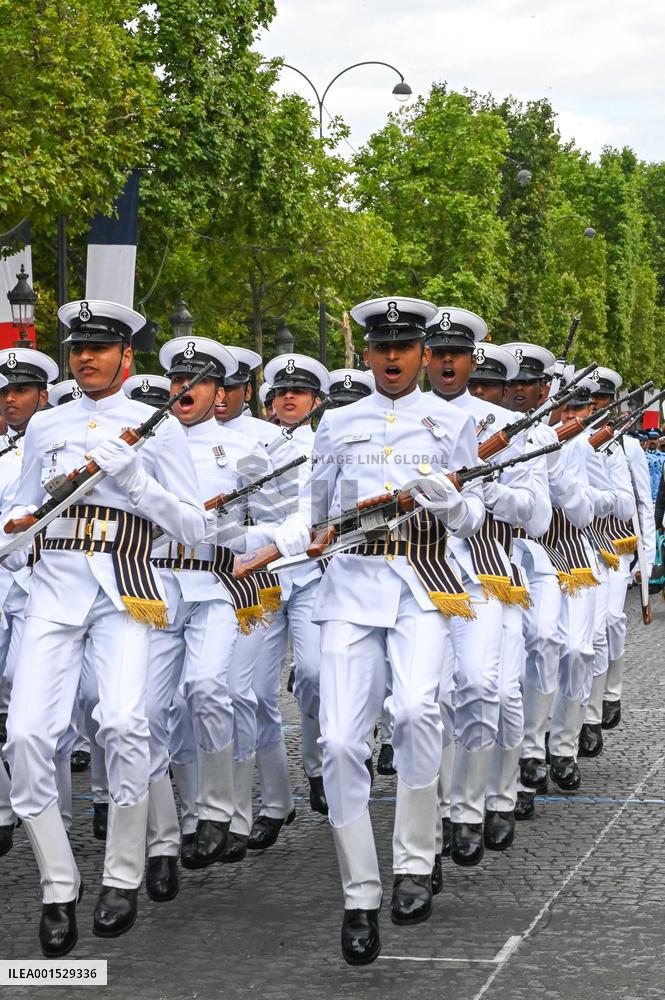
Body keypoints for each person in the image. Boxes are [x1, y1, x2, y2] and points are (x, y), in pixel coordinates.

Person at [270, 296, 485, 965]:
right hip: (349, 588)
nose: (392, 359)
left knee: (420, 710)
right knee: (336, 742)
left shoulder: (454, 422)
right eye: (380, 348)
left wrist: (454, 503)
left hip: (422, 585)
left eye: (404, 348)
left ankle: (415, 861)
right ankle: (360, 894)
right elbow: (313, 517)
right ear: (365, 355)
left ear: (422, 354)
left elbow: (473, 517)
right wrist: (263, 549)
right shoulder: (336, 426)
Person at [3, 299, 206, 957]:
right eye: (77, 348)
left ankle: (122, 875)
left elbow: (193, 527)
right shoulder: (46, 426)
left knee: (122, 723)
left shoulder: (160, 431)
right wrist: (15, 527)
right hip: (54, 592)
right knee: (29, 734)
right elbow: (20, 505)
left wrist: (138, 481)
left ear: (127, 355)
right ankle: (58, 885)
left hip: (127, 594)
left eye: (99, 347)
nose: (85, 357)